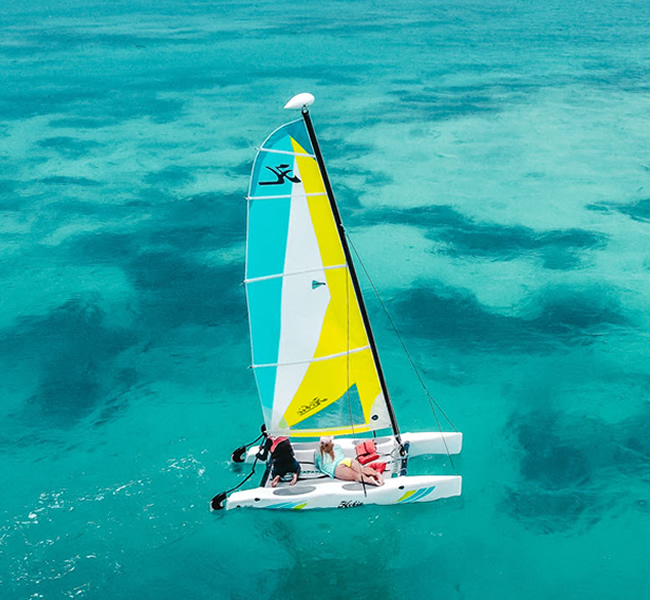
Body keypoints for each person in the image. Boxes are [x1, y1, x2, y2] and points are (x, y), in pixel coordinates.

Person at [315, 436, 384, 486]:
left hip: (337, 468)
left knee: (356, 475)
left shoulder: (318, 455)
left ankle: (369, 480)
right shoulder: (337, 447)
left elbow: (320, 467)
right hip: (347, 460)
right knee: (362, 469)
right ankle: (377, 474)